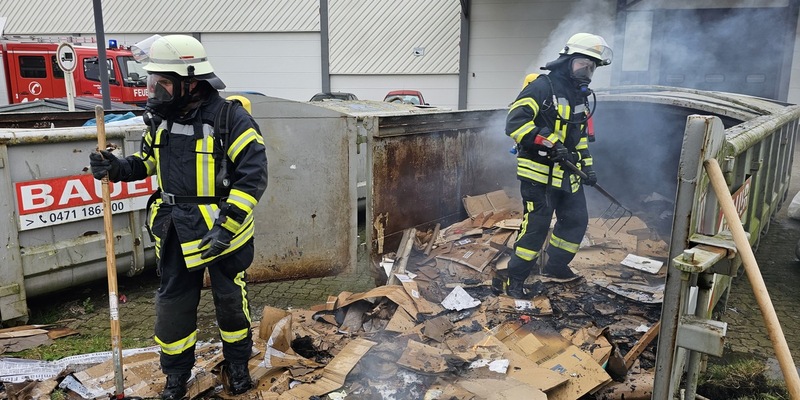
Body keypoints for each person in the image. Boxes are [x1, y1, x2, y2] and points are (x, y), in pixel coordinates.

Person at [89, 35, 268, 399]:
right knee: (173, 306)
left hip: (222, 232)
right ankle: (175, 377)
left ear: (191, 82)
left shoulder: (231, 118)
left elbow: (253, 178)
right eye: (154, 82)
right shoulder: (161, 120)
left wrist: (227, 226)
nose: (154, 90)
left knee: (232, 303)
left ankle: (237, 363)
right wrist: (115, 168)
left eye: (163, 83)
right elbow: (147, 163)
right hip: (174, 228)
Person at [503, 32, 612, 298]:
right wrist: (549, 141)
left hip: (568, 175)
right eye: (582, 64)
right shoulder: (542, 87)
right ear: (567, 60)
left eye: (591, 67)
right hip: (538, 175)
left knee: (576, 220)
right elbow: (515, 124)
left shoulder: (581, 96)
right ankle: (515, 280)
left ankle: (556, 266)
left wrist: (587, 168)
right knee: (536, 227)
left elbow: (581, 140)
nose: (586, 72)